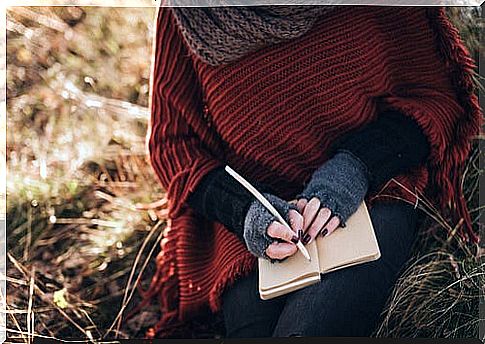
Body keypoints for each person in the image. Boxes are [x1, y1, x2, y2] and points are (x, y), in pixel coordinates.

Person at [139, 4, 482, 338]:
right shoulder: (187, 12)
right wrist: (243, 210)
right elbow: (172, 143)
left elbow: (434, 97)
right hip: (250, 228)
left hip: (371, 193)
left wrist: (354, 169)